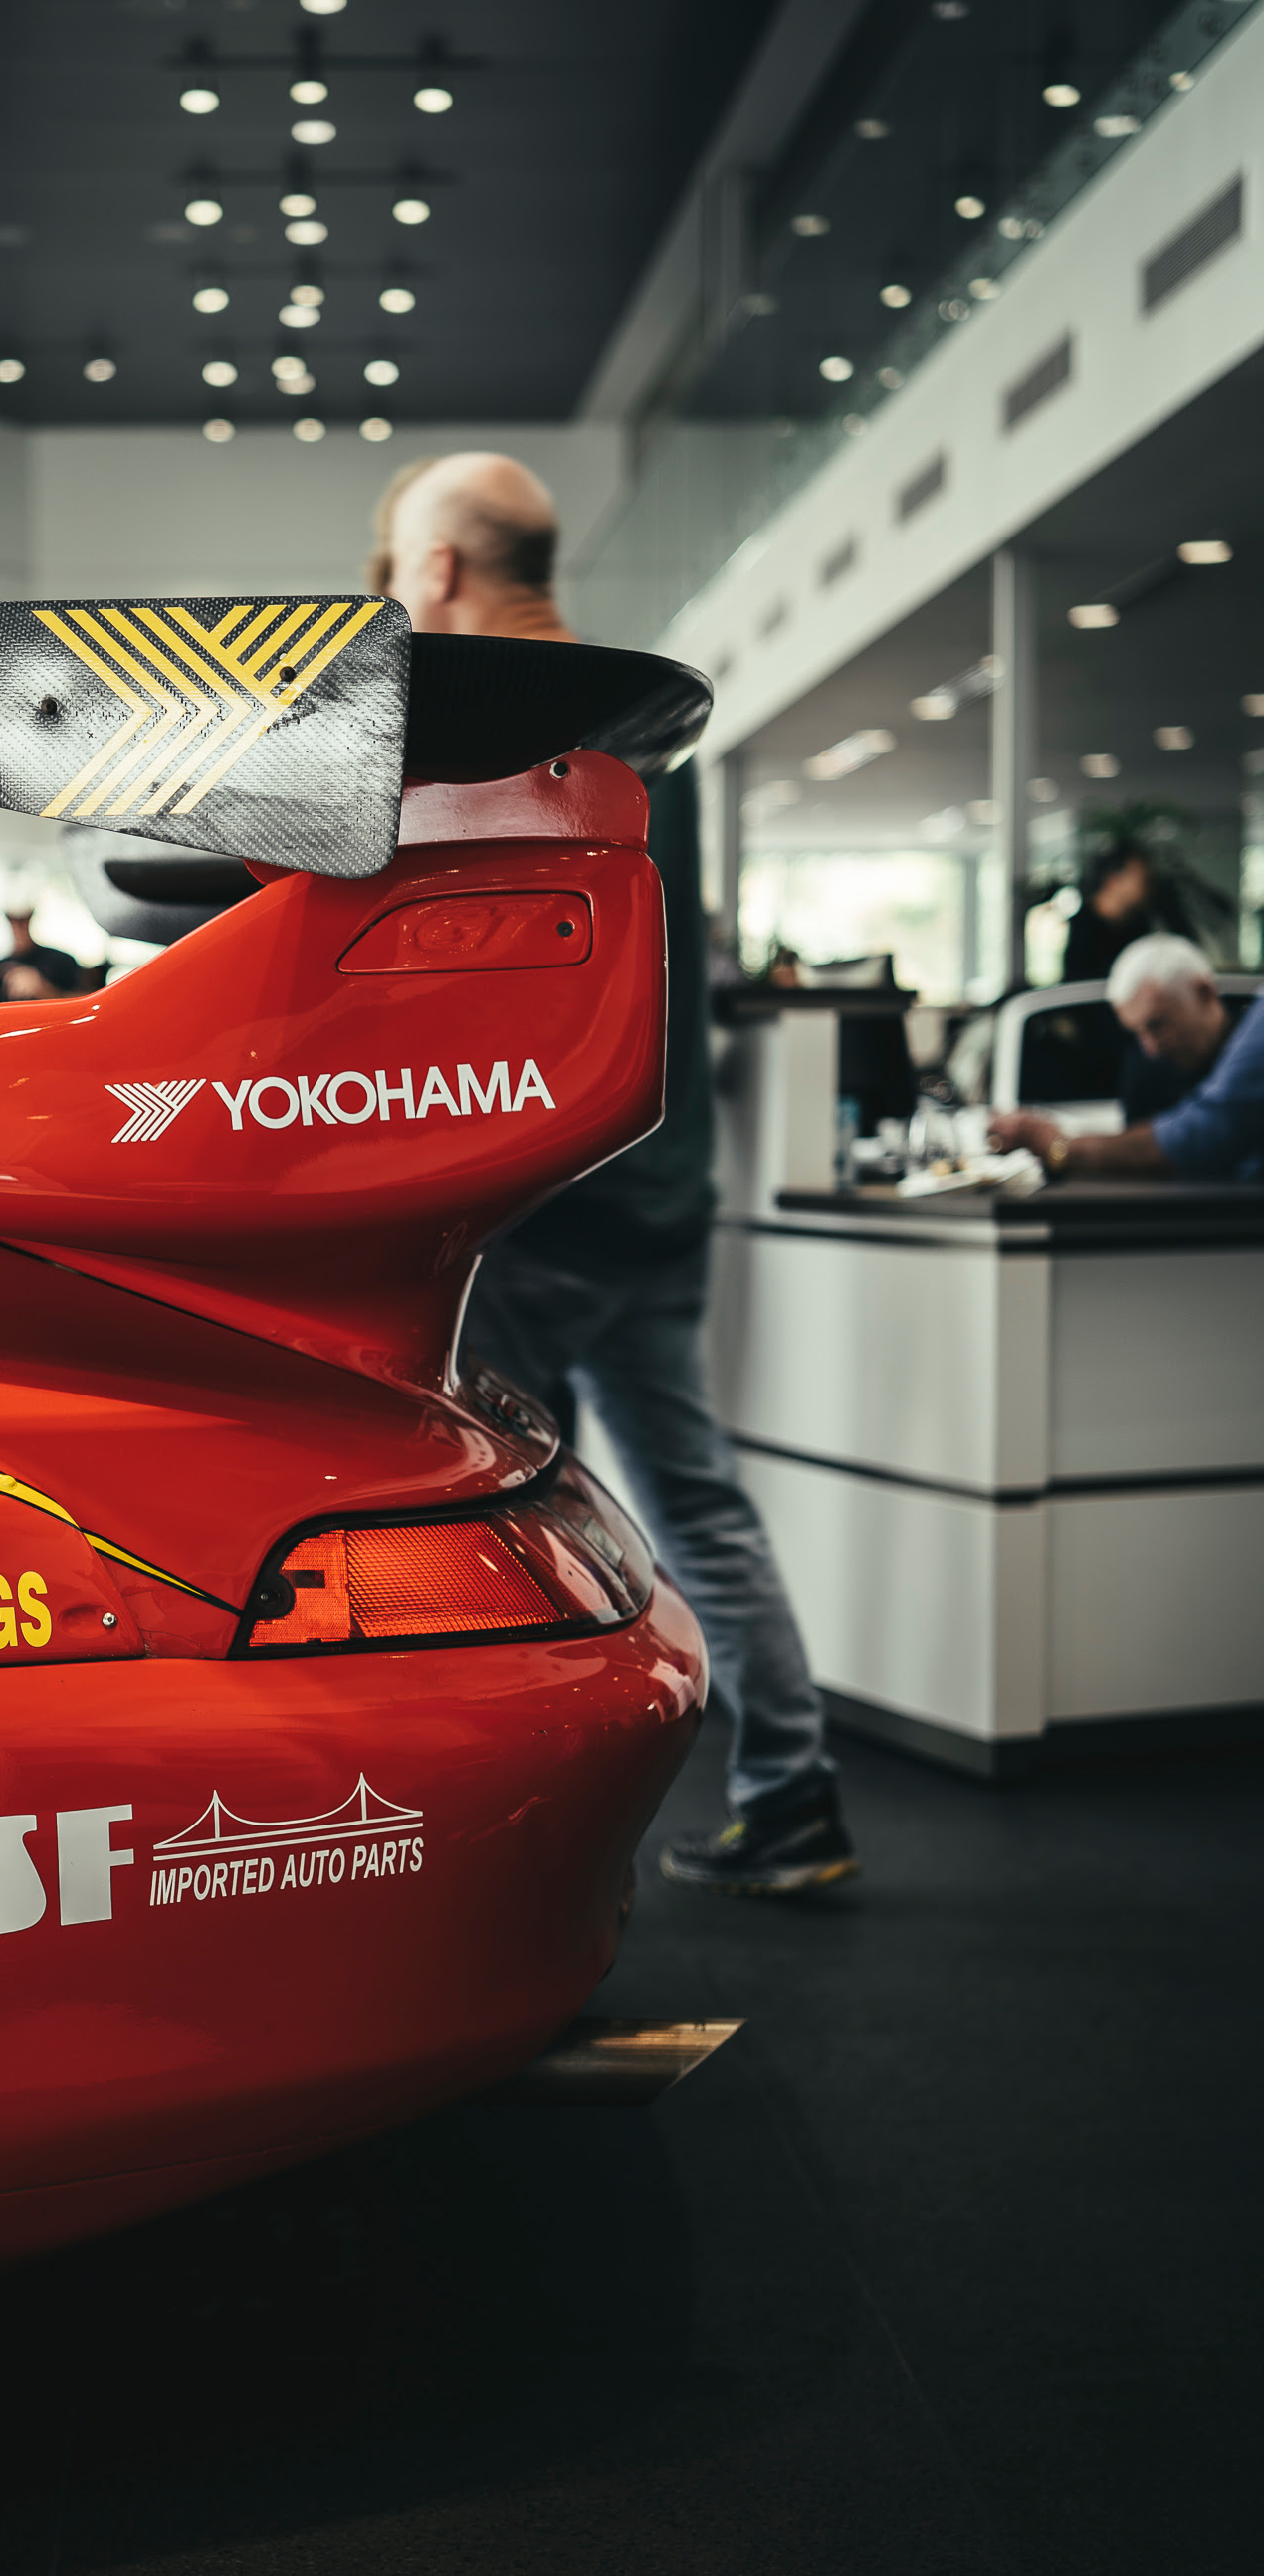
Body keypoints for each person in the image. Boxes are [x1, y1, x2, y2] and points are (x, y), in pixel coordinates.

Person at [370, 450, 857, 1895]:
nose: (397, 590)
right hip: (657, 1185)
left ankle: (524, 1870)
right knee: (694, 1498)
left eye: (400, 565)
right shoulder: (652, 717)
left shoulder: (499, 721)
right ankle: (793, 1791)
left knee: (489, 1527)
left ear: (443, 572)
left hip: (538, 1191)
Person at [991, 931, 1264, 1181]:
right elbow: (1141, 1169)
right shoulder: (1145, 1067)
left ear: (1204, 993)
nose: (1151, 1049)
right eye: (1137, 1033)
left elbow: (1201, 1136)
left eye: (1158, 1025)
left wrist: (1059, 1147)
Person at [1060, 840, 1153, 985]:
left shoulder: (1139, 923)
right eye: (1139, 877)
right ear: (1113, 880)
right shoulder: (1082, 927)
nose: (1145, 884)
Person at [0, 905, 86, 1004]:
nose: (17, 927)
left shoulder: (61, 960)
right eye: (12, 920)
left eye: (22, 921)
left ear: (30, 918)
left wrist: (42, 990)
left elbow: (85, 1001)